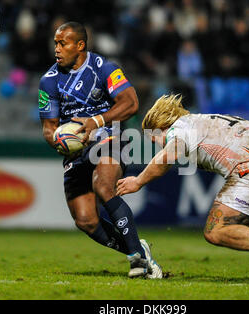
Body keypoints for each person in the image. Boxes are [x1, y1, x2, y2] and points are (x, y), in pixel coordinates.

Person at [116, 94, 249, 284]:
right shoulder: (200, 121)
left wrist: (138, 181)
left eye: (154, 140)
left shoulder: (179, 128)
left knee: (215, 231)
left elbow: (167, 157)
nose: (157, 145)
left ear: (161, 127)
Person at [38, 21, 162, 279]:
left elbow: (131, 103)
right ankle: (138, 247)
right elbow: (49, 128)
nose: (57, 49)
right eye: (55, 44)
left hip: (110, 136)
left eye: (63, 43)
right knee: (86, 221)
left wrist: (96, 122)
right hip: (75, 149)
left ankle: (136, 259)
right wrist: (59, 142)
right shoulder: (48, 81)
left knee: (103, 186)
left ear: (80, 45)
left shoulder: (104, 69)